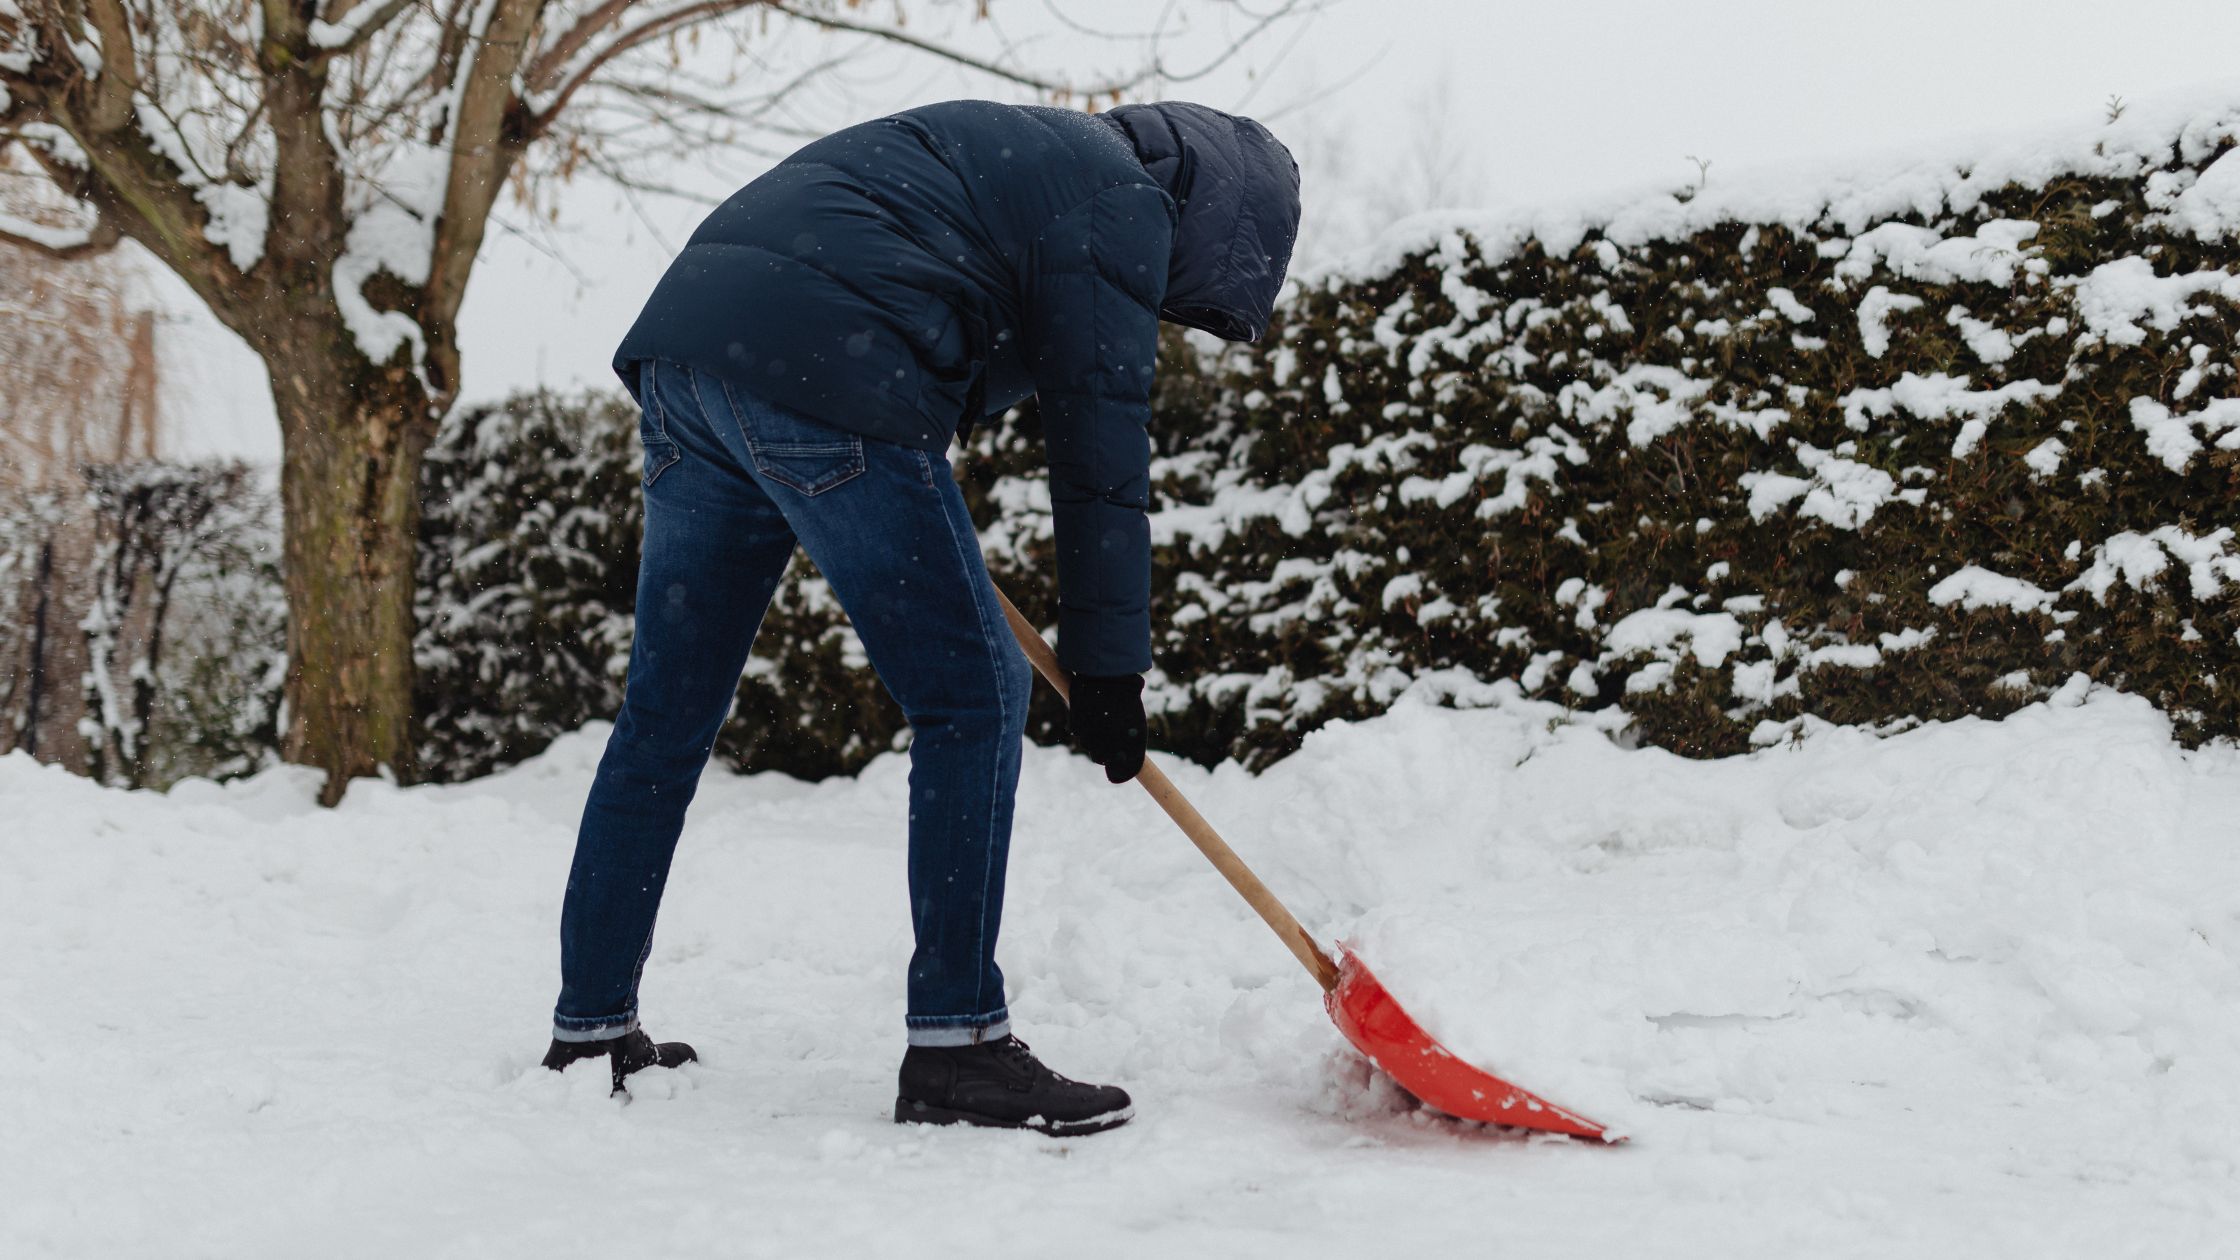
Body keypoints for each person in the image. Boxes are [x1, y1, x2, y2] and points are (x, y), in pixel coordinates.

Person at [538, 98, 1300, 1135]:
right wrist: (1109, 671)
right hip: (826, 366)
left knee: (663, 718)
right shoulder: (1122, 202)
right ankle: (957, 1047)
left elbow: (943, 322)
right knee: (973, 695)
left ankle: (589, 1028)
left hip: (690, 364)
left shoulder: (1031, 155)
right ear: (1215, 216)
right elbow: (1100, 454)